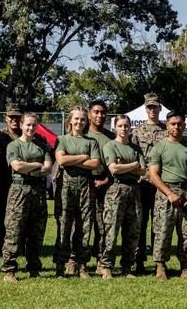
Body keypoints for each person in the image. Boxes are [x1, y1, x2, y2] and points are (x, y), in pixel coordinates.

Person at [148, 111, 187, 279]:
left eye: (180, 124)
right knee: (163, 231)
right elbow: (153, 175)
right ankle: (160, 266)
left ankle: (185, 267)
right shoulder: (159, 148)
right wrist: (169, 193)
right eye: (173, 123)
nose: (176, 127)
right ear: (167, 125)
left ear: (184, 126)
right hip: (166, 195)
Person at [1, 112, 54, 283]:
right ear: (22, 125)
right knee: (14, 230)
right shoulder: (14, 146)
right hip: (19, 191)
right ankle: (9, 270)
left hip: (38, 192)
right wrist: (37, 165)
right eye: (28, 125)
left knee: (36, 231)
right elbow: (17, 166)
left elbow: (48, 168)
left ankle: (33, 268)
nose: (31, 128)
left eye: (34, 125)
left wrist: (29, 167)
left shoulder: (42, 145)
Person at [54, 106, 102, 278]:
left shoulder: (91, 142)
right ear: (70, 120)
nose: (79, 122)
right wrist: (83, 157)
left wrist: (71, 160)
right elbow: (61, 160)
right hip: (66, 186)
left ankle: (82, 266)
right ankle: (61, 266)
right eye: (76, 118)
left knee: (85, 225)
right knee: (64, 225)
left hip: (85, 185)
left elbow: (95, 164)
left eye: (82, 119)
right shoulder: (62, 139)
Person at [98, 115, 146, 279]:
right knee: (111, 230)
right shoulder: (110, 146)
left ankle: (127, 267)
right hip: (116, 190)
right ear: (115, 127)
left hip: (134, 190)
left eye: (126, 126)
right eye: (120, 126)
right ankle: (106, 266)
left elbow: (143, 171)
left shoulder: (135, 148)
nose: (124, 129)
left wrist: (123, 165)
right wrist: (133, 164)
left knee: (133, 230)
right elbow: (114, 169)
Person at [131, 92, 167, 275]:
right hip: (142, 184)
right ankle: (138, 260)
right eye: (149, 107)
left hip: (161, 185)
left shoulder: (168, 131)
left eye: (155, 106)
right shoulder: (137, 132)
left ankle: (159, 262)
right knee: (140, 223)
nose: (152, 109)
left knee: (159, 224)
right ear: (146, 109)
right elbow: (134, 157)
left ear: (160, 108)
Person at [0, 106, 22, 272]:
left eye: (17, 117)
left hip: (21, 186)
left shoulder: (29, 135)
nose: (14, 120)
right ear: (6, 118)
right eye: (11, 117)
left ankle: (17, 259)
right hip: (1, 186)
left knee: (21, 226)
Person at [86, 101, 116, 268]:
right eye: (96, 112)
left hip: (106, 184)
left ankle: (100, 259)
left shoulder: (112, 137)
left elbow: (116, 163)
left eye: (103, 112)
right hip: (84, 183)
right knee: (80, 224)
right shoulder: (82, 134)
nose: (99, 116)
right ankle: (73, 259)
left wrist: (105, 181)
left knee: (103, 225)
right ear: (89, 114)